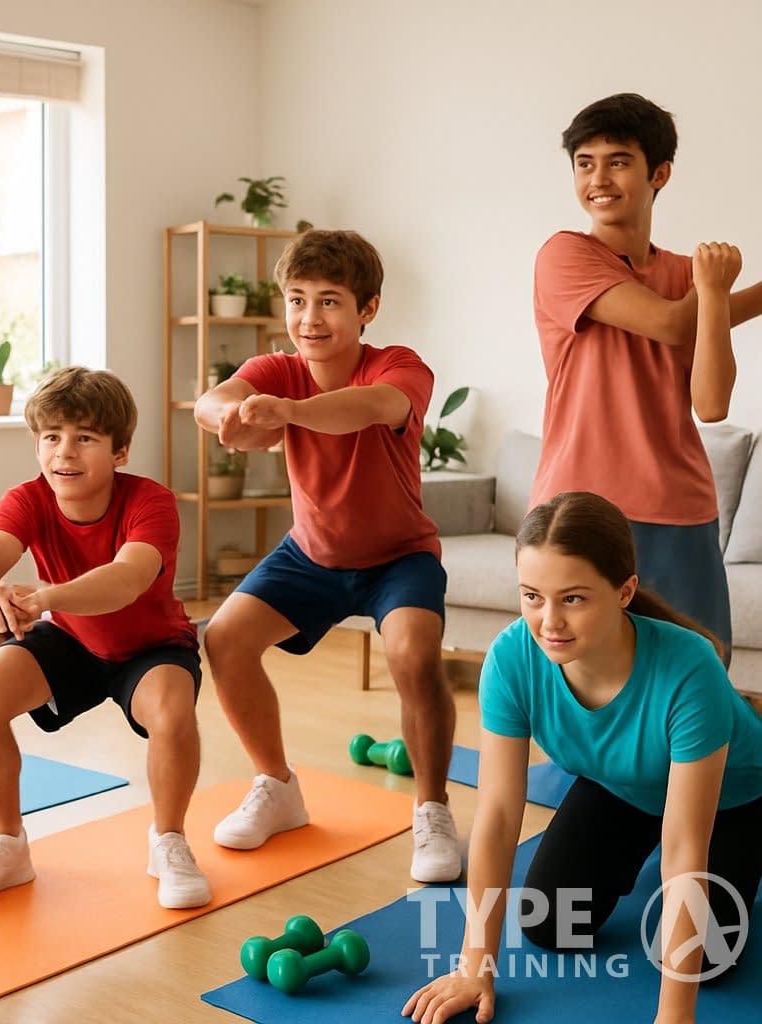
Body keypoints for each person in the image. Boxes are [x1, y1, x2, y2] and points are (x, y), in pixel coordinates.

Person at [402, 491, 762, 1024]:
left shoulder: (690, 668)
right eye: (532, 596)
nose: (549, 622)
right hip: (620, 785)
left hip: (734, 799)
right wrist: (473, 965)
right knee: (550, 924)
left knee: (699, 962)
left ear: (624, 591)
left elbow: (686, 845)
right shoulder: (511, 659)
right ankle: (639, 864)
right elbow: (500, 816)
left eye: (573, 598)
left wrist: (674, 1015)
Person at [193, 229, 460, 883]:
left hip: (399, 557)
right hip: (309, 556)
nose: (310, 319)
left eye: (331, 302)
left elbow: (368, 409)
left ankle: (433, 811)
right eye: (297, 299)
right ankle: (277, 787)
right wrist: (231, 413)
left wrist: (286, 410)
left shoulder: (398, 366)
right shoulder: (274, 369)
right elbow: (214, 400)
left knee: (413, 657)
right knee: (224, 639)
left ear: (367, 308)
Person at [0, 366, 208, 910]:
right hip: (72, 640)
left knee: (172, 713)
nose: (66, 451)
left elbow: (126, 580)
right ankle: (8, 846)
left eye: (85, 438)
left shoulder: (150, 501)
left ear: (120, 451)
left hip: (152, 647)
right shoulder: (29, 498)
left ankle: (169, 842)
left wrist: (41, 598)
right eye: (52, 437)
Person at [531, 92, 762, 662]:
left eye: (617, 160)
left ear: (659, 172)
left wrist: (710, 294)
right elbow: (665, 321)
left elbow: (710, 405)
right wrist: (713, 292)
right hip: (578, 504)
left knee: (702, 667)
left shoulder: (688, 274)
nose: (597, 178)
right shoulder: (564, 255)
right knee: (575, 670)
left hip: (679, 505)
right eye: (584, 163)